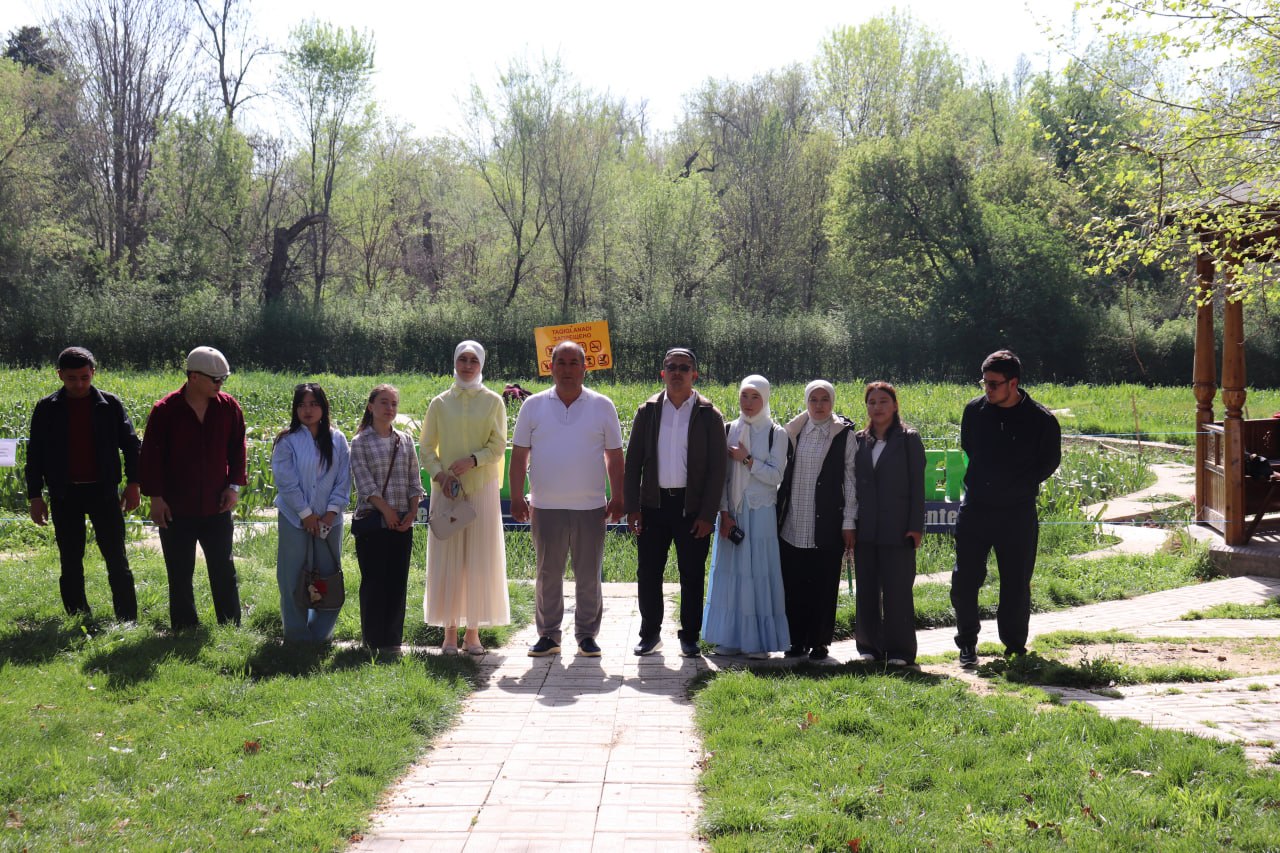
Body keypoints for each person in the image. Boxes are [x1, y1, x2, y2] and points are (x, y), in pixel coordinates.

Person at [510, 340, 625, 658]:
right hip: (546, 505)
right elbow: (519, 456)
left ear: (585, 368)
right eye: (561, 362)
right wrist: (517, 496)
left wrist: (618, 496)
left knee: (588, 575)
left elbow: (615, 457)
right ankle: (549, 635)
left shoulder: (602, 405)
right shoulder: (533, 406)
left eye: (574, 363)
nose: (567, 369)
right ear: (551, 367)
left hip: (590, 506)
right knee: (548, 574)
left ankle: (587, 635)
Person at [951, 349, 1062, 666]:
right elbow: (969, 447)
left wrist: (1017, 485)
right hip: (976, 508)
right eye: (984, 382)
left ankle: (1014, 648)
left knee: (1015, 582)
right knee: (964, 580)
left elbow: (1049, 462)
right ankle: (967, 643)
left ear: (1013, 383)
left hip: (1017, 512)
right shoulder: (974, 411)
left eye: (994, 384)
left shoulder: (1041, 420)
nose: (987, 389)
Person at [624, 347, 727, 657]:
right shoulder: (648, 411)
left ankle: (690, 636)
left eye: (684, 368)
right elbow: (633, 464)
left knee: (692, 574)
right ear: (663, 373)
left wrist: (708, 514)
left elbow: (717, 470)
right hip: (653, 506)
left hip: (692, 509)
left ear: (695, 374)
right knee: (648, 573)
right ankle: (649, 634)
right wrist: (632, 508)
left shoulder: (709, 414)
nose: (678, 372)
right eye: (672, 367)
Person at [25, 346, 141, 621]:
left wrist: (134, 483)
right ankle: (78, 615)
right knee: (70, 559)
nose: (78, 384)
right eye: (71, 378)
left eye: (84, 378)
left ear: (93, 373)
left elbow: (131, 446)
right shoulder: (47, 408)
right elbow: (35, 454)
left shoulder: (109, 405)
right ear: (60, 375)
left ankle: (127, 618)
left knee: (116, 557)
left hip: (104, 492)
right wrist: (35, 496)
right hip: (64, 493)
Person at [140, 346, 246, 630]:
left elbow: (238, 450)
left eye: (224, 379)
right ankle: (184, 627)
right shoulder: (165, 410)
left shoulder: (229, 407)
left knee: (223, 568)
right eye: (215, 379)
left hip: (216, 505)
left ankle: (230, 625)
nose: (220, 384)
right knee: (179, 571)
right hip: (176, 507)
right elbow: (151, 457)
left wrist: (234, 487)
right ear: (194, 376)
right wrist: (156, 499)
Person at [420, 340, 510, 655]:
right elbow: (426, 448)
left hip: (481, 488)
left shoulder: (494, 402)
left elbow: (498, 445)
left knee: (478, 559)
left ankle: (473, 634)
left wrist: (473, 460)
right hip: (447, 491)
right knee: (447, 559)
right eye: (463, 359)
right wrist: (440, 475)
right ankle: (448, 634)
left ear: (481, 364)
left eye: (473, 360)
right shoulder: (439, 403)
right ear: (455, 362)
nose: (468, 366)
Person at [702, 375, 789, 659]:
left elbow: (775, 476)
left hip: (761, 511)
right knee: (732, 575)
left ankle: (759, 642)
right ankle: (730, 638)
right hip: (733, 512)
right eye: (744, 396)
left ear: (765, 399)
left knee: (758, 572)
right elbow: (723, 477)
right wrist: (724, 513)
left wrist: (748, 459)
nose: (748, 403)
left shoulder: (776, 433)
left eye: (755, 397)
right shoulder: (729, 429)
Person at [776, 380, 857, 662]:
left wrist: (849, 521)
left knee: (823, 585)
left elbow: (851, 481)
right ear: (806, 402)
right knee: (794, 584)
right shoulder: (793, 431)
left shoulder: (844, 435)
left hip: (827, 525)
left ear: (832, 402)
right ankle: (796, 640)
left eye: (825, 399)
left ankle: (820, 642)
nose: (819, 405)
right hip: (793, 523)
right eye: (813, 399)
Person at [270, 383, 351, 643]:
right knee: (292, 577)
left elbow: (343, 479)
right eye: (302, 405)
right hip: (294, 519)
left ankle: (319, 635)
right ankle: (296, 637)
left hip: (330, 521)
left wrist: (330, 513)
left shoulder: (338, 439)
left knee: (329, 577)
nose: (308, 410)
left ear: (323, 407)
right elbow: (286, 481)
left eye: (314, 404)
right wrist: (305, 514)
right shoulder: (287, 440)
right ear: (295, 409)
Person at [852, 381, 925, 666]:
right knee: (867, 590)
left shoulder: (908, 439)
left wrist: (916, 526)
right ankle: (868, 647)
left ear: (894, 405)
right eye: (871, 402)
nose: (877, 407)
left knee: (898, 592)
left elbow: (917, 486)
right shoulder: (859, 440)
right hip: (866, 529)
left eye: (883, 401)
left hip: (899, 529)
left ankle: (900, 651)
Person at [351, 384, 423, 651]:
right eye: (383, 402)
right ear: (371, 406)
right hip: (373, 522)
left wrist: (412, 512)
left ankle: (392, 641)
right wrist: (387, 511)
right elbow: (365, 484)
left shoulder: (404, 440)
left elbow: (415, 481)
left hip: (402, 522)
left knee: (397, 582)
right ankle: (372, 641)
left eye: (394, 403)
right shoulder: (360, 442)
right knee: (374, 582)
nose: (389, 408)